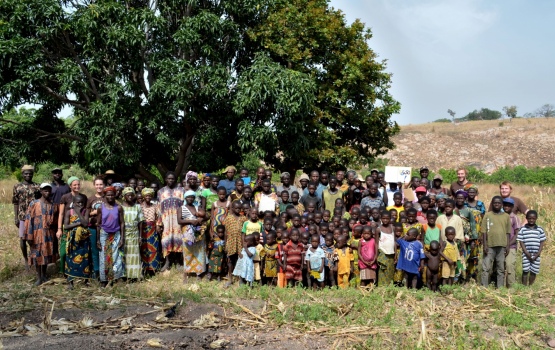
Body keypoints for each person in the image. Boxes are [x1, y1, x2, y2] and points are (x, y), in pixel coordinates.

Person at [24, 183, 55, 286]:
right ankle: (38, 277)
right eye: (45, 190)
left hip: (47, 233)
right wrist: (29, 235)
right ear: (41, 191)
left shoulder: (52, 204)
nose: (47, 192)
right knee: (37, 255)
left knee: (46, 254)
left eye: (49, 190)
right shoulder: (34, 204)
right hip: (36, 233)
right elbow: (29, 220)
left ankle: (44, 275)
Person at [58, 177, 88, 274]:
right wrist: (59, 229)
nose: (77, 186)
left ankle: (76, 272)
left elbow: (85, 212)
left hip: (80, 230)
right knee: (63, 252)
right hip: (68, 228)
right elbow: (61, 214)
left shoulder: (84, 197)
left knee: (78, 252)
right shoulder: (65, 197)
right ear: (70, 186)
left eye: (78, 184)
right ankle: (63, 272)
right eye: (74, 185)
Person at [96, 186, 125, 287]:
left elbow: (122, 223)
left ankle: (114, 278)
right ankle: (104, 280)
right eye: (108, 195)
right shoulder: (100, 208)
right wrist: (98, 240)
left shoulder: (119, 207)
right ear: (105, 196)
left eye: (112, 194)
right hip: (104, 234)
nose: (110, 196)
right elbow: (98, 224)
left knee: (115, 256)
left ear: (115, 195)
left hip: (116, 234)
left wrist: (122, 238)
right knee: (104, 257)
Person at [156, 172, 185, 271]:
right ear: (165, 179)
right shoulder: (161, 192)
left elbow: (184, 206)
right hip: (166, 220)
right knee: (165, 240)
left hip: (178, 220)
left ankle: (178, 262)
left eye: (172, 179)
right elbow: (159, 208)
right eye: (169, 178)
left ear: (175, 180)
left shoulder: (181, 191)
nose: (171, 180)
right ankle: (167, 262)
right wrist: (159, 223)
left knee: (178, 239)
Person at [13, 165, 40, 269]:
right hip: (22, 217)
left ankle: (33, 257)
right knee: (22, 239)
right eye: (26, 173)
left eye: (30, 173)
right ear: (22, 174)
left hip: (35, 216)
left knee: (33, 239)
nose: (28, 175)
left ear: (33, 174)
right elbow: (15, 203)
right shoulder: (17, 187)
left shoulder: (37, 186)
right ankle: (25, 259)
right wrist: (16, 217)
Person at [480, 196, 511, 288]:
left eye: (498, 203)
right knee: (486, 268)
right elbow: (484, 231)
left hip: (502, 246)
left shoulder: (506, 216)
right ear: (492, 204)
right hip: (490, 245)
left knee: (500, 268)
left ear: (501, 204)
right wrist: (485, 245)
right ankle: (484, 287)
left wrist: (508, 246)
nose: (496, 204)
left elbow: (508, 232)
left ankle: (500, 288)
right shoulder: (488, 215)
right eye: (495, 203)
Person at [63, 194, 91, 289]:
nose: (80, 204)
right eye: (78, 203)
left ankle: (85, 280)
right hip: (72, 239)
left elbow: (86, 224)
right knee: (70, 259)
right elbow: (66, 226)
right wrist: (79, 223)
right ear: (73, 203)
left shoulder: (86, 211)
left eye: (82, 203)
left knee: (84, 258)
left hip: (84, 239)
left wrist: (79, 213)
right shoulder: (69, 212)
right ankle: (70, 282)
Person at [178, 190, 208, 282]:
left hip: (198, 232)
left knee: (199, 252)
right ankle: (186, 273)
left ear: (194, 198)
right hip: (187, 233)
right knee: (187, 252)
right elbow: (179, 221)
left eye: (192, 197)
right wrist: (191, 221)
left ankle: (199, 273)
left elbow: (206, 216)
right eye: (188, 197)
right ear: (185, 198)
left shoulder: (197, 207)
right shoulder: (181, 208)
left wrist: (200, 219)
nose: (190, 198)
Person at [517, 211, 546, 286]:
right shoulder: (523, 229)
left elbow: (542, 242)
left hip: (536, 253)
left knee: (534, 270)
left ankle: (530, 286)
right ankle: (524, 286)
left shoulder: (540, 229)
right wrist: (526, 252)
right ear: (526, 218)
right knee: (525, 270)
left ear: (536, 218)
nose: (531, 220)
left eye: (533, 218)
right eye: (529, 218)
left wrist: (538, 253)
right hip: (526, 253)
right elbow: (521, 241)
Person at [121, 187, 144, 280]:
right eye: (128, 195)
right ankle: (125, 275)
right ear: (124, 196)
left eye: (131, 195)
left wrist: (140, 236)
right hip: (124, 234)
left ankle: (135, 275)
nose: (130, 197)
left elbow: (140, 222)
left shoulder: (137, 207)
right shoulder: (120, 207)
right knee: (124, 254)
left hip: (134, 234)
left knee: (134, 254)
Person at [223, 201, 247, 287]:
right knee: (230, 261)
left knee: (240, 260)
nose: (237, 210)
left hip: (240, 242)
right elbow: (226, 232)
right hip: (231, 241)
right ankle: (230, 278)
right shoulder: (228, 218)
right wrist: (225, 244)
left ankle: (240, 279)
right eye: (236, 208)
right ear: (232, 208)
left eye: (239, 208)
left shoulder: (243, 218)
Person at [140, 188, 162, 275]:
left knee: (154, 248)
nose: (148, 197)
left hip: (153, 229)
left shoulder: (155, 206)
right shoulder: (140, 206)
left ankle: (154, 268)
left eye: (149, 196)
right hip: (143, 229)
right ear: (143, 197)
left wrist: (157, 225)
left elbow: (158, 217)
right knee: (144, 248)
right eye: (146, 196)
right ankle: (145, 268)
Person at [87, 177, 105, 278]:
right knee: (94, 250)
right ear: (94, 186)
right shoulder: (90, 199)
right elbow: (87, 214)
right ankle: (96, 270)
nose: (99, 186)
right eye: (97, 185)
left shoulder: (107, 197)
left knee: (103, 249)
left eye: (101, 184)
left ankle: (104, 270)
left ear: (104, 185)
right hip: (93, 228)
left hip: (105, 228)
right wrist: (96, 211)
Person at [503, 198, 520, 288]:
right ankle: (500, 287)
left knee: (510, 265)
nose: (506, 207)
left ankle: (511, 287)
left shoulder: (514, 218)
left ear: (512, 207)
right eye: (505, 205)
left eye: (509, 205)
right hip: (500, 246)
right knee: (501, 267)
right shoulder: (500, 216)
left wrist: (508, 245)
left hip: (511, 246)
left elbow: (517, 234)